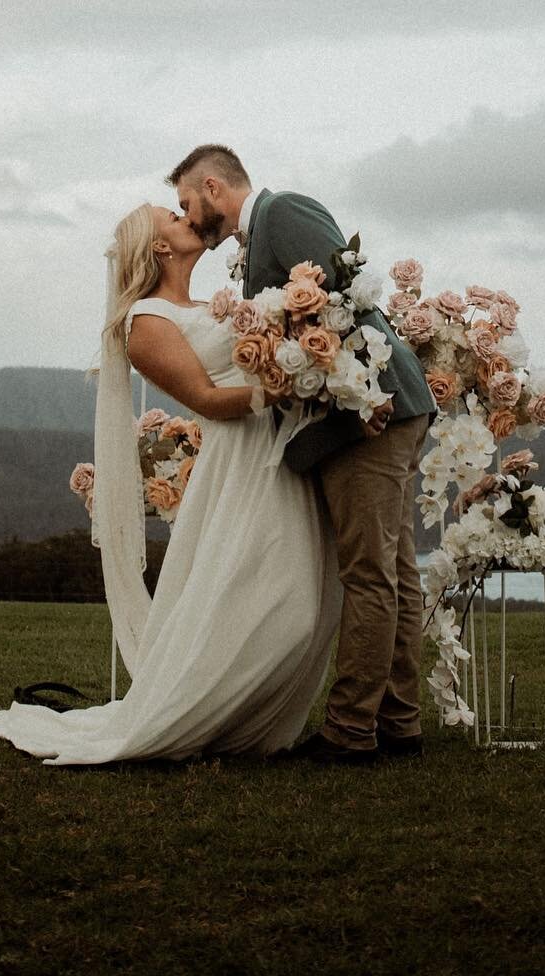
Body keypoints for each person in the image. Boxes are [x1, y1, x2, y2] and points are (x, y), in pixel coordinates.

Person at [0, 202, 341, 761]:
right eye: (174, 220)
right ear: (160, 248)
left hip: (277, 455)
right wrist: (278, 389)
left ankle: (246, 715)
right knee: (285, 604)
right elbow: (203, 399)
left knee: (297, 596)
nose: (189, 220)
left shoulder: (211, 304)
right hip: (238, 463)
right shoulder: (146, 323)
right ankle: (203, 711)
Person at [170, 145, 436, 763]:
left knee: (369, 573)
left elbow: (342, 302)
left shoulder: (283, 211)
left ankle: (350, 732)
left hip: (369, 414)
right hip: (380, 412)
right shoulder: (258, 237)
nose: (186, 216)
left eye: (186, 203)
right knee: (393, 571)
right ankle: (398, 724)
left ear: (213, 187)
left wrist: (322, 376)